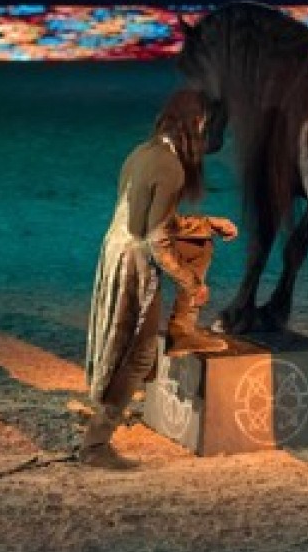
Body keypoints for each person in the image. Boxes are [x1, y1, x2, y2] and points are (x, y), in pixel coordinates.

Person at [81, 88, 237, 468]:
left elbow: (153, 221)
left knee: (198, 241)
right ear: (196, 124)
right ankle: (95, 444)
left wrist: (205, 224)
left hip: (117, 253)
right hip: (134, 264)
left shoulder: (142, 152)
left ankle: (183, 329)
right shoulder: (171, 167)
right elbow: (156, 238)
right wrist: (192, 284)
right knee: (137, 353)